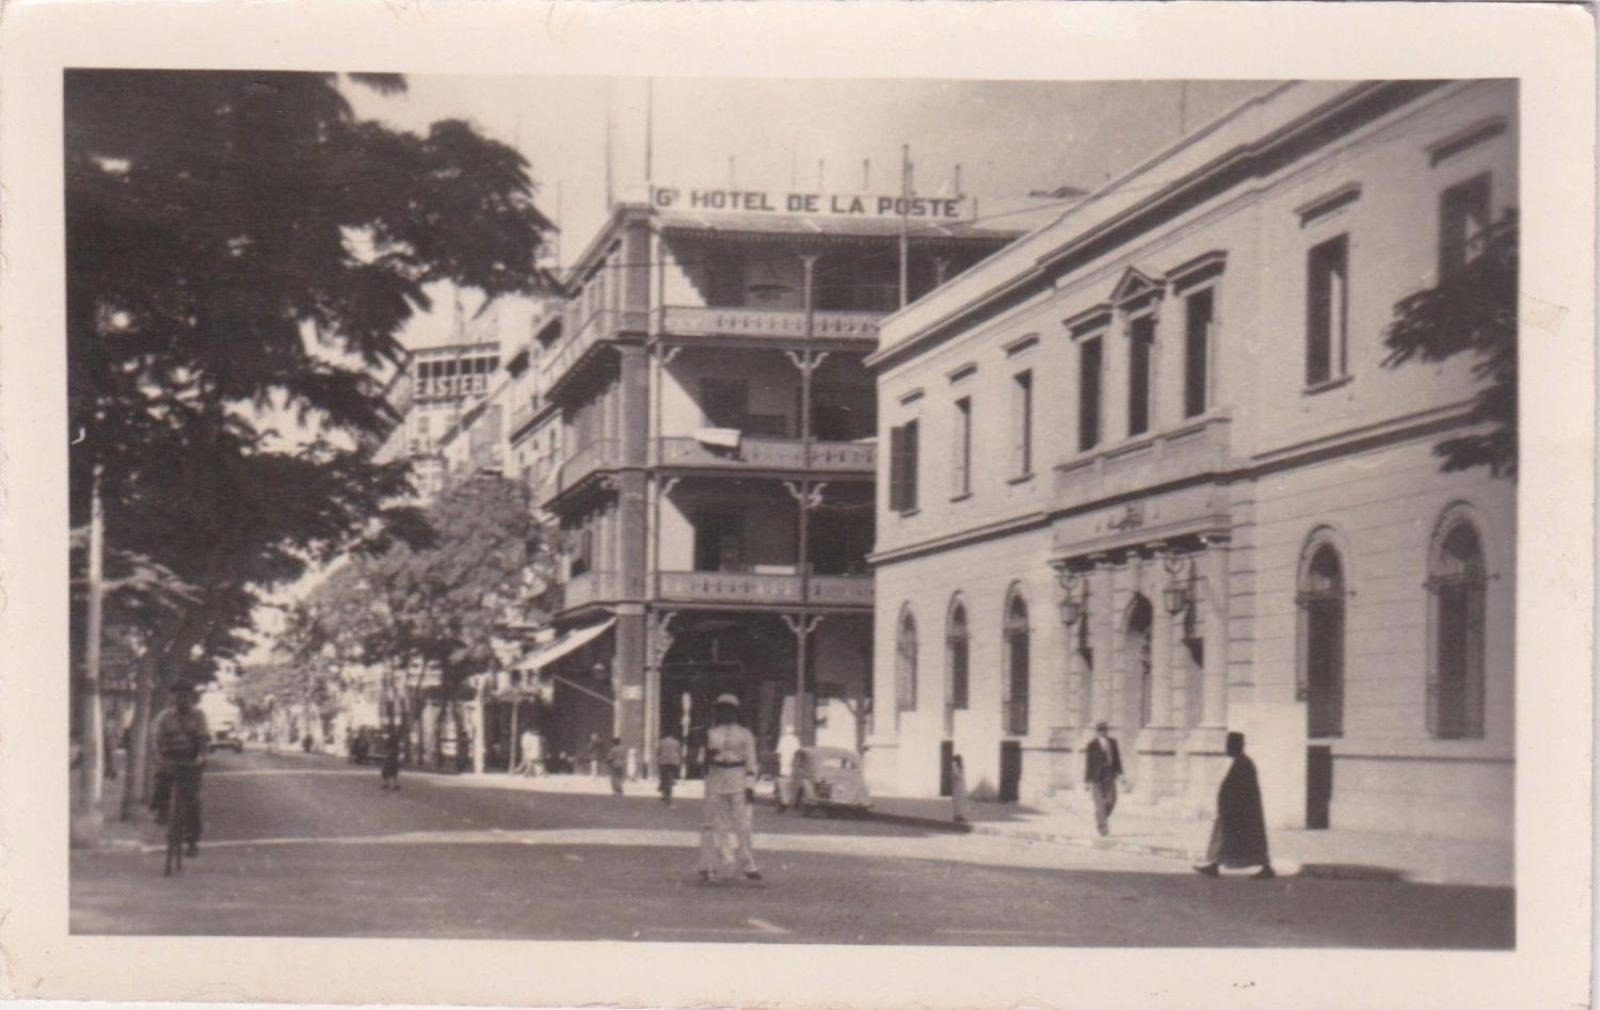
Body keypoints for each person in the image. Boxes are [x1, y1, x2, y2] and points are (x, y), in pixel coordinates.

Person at [1194, 732, 1276, 879]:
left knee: (1245, 841)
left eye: (1230, 745)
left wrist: (1231, 807)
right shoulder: (1240, 763)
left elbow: (1242, 790)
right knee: (1225, 839)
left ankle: (1266, 868)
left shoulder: (1244, 764)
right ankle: (1214, 866)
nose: (1227, 748)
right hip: (1233, 810)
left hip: (1240, 812)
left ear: (1237, 746)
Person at [697, 694, 761, 883]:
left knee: (743, 824)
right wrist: (708, 754)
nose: (726, 713)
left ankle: (749, 863)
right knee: (718, 823)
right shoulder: (711, 733)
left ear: (736, 712)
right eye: (722, 709)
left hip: (738, 775)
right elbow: (701, 762)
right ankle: (726, 861)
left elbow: (751, 761)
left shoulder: (745, 734)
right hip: (716, 776)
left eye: (729, 709)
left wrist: (750, 786)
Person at [149, 681, 210, 857]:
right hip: (170, 757)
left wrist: (201, 756)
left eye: (186, 696)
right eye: (178, 696)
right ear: (173, 698)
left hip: (191, 759)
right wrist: (157, 755)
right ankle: (161, 811)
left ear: (192, 699)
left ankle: (192, 841)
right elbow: (155, 737)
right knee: (161, 779)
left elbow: (203, 737)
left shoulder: (199, 716)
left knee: (192, 800)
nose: (182, 700)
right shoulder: (165, 717)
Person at [1083, 720, 1126, 837]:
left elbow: (1117, 759)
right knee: (1100, 804)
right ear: (1097, 732)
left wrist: (1121, 774)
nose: (1103, 732)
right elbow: (1088, 764)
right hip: (1096, 778)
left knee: (1112, 800)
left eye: (1105, 730)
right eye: (1100, 730)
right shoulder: (1091, 745)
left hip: (1110, 775)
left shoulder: (1113, 743)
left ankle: (1100, 818)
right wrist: (1086, 781)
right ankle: (1103, 828)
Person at [775, 726, 801, 812]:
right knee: (791, 785)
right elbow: (797, 753)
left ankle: (784, 803)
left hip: (783, 765)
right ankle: (791, 802)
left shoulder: (782, 739)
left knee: (783, 785)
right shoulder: (795, 740)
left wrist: (779, 763)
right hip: (792, 765)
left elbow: (778, 753)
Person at [656, 733, 683, 805]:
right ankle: (673, 780)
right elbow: (679, 752)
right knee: (671, 776)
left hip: (663, 762)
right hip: (673, 762)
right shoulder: (677, 742)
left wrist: (658, 758)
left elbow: (658, 752)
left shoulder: (661, 741)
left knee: (663, 777)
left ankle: (663, 790)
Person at [950, 753, 970, 824]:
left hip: (961, 785)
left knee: (961, 801)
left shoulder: (960, 766)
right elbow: (956, 775)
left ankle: (960, 815)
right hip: (957, 785)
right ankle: (957, 815)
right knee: (957, 801)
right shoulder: (954, 766)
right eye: (960, 759)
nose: (961, 761)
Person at [380, 726, 402, 791]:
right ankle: (395, 784)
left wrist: (388, 751)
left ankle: (387, 783)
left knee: (386, 770)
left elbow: (387, 747)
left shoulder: (390, 738)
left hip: (390, 756)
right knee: (393, 771)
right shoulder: (396, 738)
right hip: (395, 757)